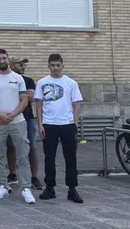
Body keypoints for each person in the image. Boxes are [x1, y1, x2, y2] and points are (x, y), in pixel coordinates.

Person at [0, 49, 35, 204]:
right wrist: (0, 115)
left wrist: (11, 116)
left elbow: (24, 101)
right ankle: (2, 185)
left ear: (8, 59)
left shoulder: (18, 78)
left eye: (4, 58)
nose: (2, 61)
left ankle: (26, 187)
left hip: (18, 121)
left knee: (23, 155)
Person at [35, 54, 83, 203]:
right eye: (52, 65)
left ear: (63, 65)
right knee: (49, 158)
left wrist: (74, 124)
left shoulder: (71, 83)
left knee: (70, 158)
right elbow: (39, 104)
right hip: (49, 125)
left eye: (58, 65)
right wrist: (40, 124)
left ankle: (72, 189)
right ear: (48, 66)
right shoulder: (42, 82)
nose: (55, 68)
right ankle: (50, 187)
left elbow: (76, 104)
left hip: (67, 124)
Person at [11, 56, 43, 190]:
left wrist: (14, 95)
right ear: (12, 65)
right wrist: (23, 95)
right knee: (10, 147)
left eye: (24, 65)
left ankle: (34, 176)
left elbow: (31, 97)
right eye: (20, 64)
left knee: (31, 147)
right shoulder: (7, 79)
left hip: (28, 118)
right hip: (11, 118)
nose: (23, 66)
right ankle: (12, 174)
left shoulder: (28, 80)